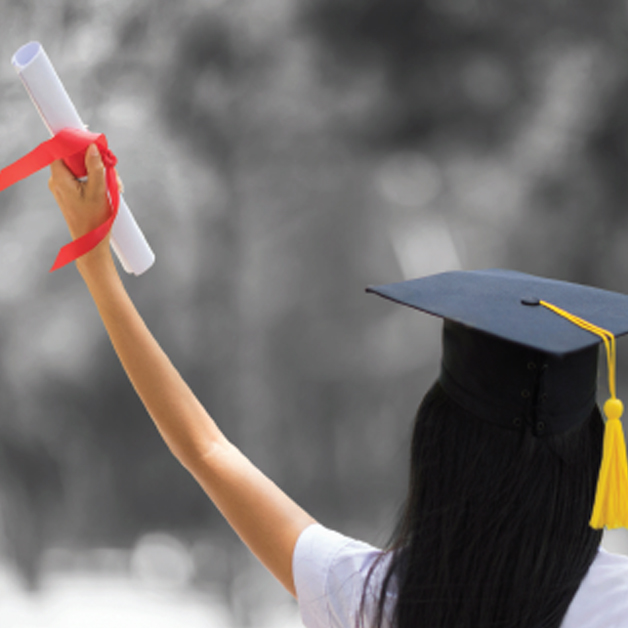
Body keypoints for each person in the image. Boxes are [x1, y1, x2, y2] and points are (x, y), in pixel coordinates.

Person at [47, 145, 628, 628]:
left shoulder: (371, 598)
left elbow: (207, 450)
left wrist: (97, 266)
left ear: (440, 450)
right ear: (592, 463)